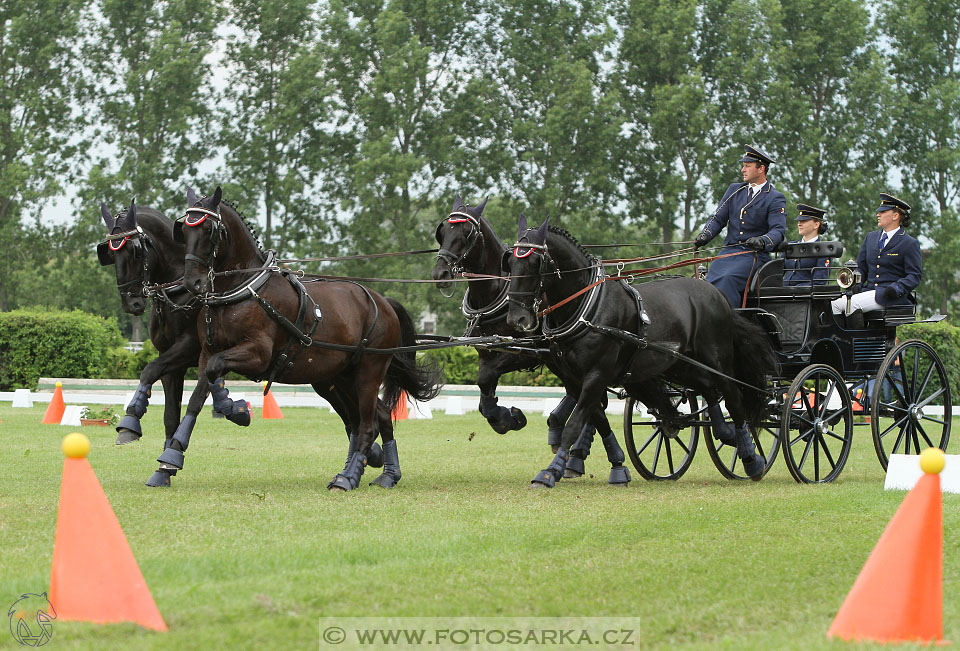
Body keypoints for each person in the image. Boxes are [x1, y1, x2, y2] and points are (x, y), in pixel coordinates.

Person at [695, 144, 787, 307]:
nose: (742, 170)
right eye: (743, 166)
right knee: (707, 282)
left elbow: (778, 231)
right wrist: (706, 235)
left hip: (754, 255)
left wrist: (762, 240)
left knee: (727, 279)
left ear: (761, 169)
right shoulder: (734, 190)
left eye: (747, 166)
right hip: (728, 253)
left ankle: (729, 323)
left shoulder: (774, 198)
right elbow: (718, 218)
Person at [831, 193, 922, 327]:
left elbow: (914, 275)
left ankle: (856, 343)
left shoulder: (909, 243)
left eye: (883, 212)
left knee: (852, 305)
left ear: (895, 216)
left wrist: (896, 288)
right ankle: (842, 342)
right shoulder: (871, 238)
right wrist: (856, 285)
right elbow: (861, 268)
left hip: (890, 296)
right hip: (868, 292)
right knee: (834, 304)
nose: (878, 214)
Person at [783, 203, 831, 286]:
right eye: (799, 221)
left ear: (816, 225)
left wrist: (794, 289)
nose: (799, 224)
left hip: (804, 296)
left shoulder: (823, 250)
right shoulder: (790, 246)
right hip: (782, 294)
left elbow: (819, 282)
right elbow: (776, 272)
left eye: (804, 221)